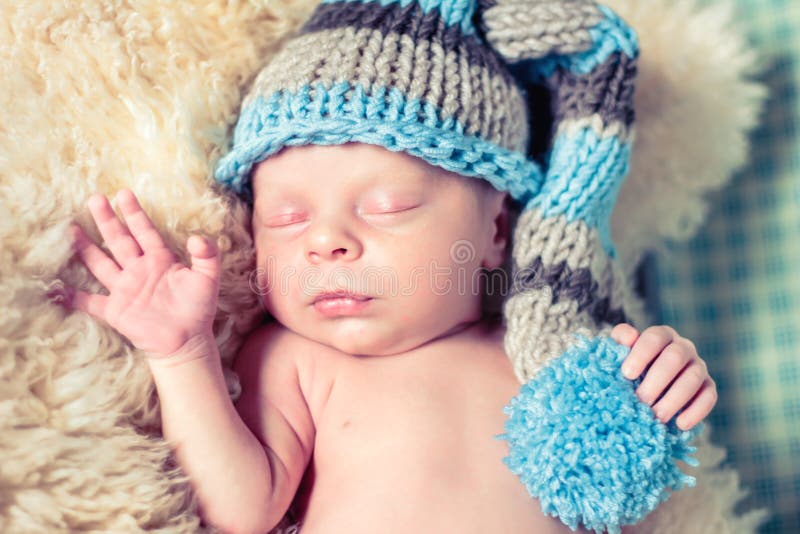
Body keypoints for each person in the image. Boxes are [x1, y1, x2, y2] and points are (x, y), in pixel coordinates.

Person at [58, 1, 718, 532]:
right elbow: (239, 509)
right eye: (287, 218)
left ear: (494, 231)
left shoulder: (538, 354)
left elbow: (623, 476)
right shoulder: (294, 361)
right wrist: (180, 355)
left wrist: (659, 377)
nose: (328, 244)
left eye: (387, 206)